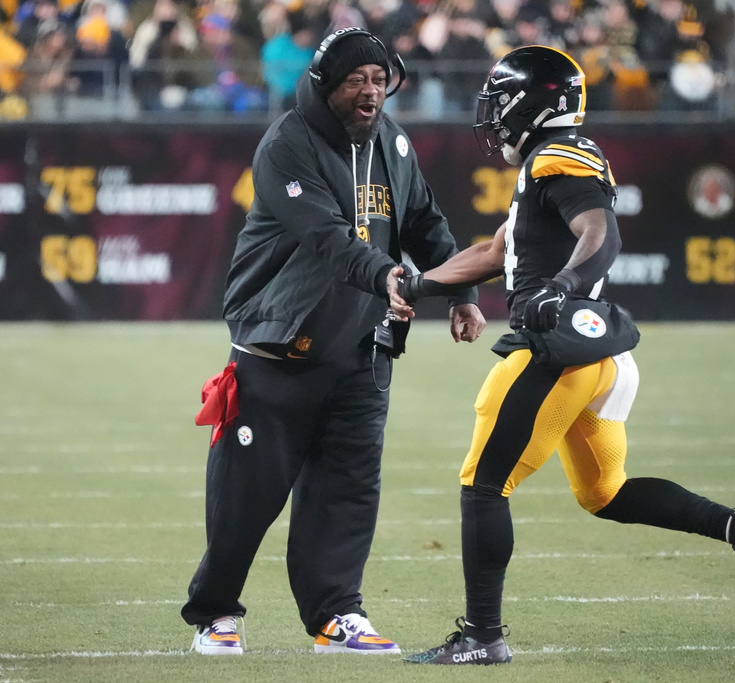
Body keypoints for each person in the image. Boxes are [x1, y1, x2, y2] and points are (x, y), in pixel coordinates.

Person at [388, 45, 735, 665]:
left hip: (556, 351)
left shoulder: (558, 156)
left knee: (483, 484)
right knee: (604, 494)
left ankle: (482, 636)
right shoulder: (545, 163)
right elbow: (492, 252)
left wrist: (561, 287)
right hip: (600, 358)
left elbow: (599, 234)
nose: (494, 117)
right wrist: (415, 286)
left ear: (534, 105)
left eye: (501, 104)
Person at [181, 26, 486, 656]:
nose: (371, 93)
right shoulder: (286, 144)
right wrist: (387, 274)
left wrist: (463, 292)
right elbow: (326, 237)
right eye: (356, 81)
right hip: (280, 341)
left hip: (363, 346)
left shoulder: (394, 143)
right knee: (247, 493)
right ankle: (216, 615)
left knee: (348, 488)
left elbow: (425, 222)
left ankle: (337, 615)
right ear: (326, 86)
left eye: (380, 80)